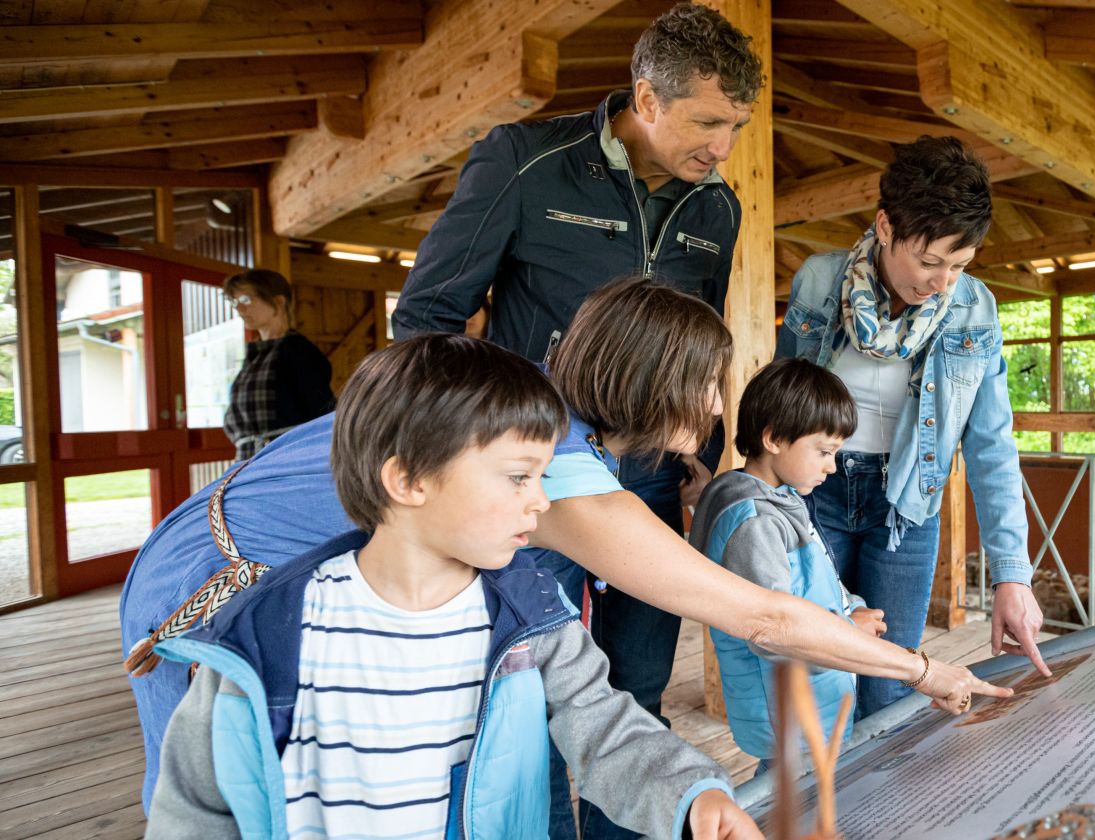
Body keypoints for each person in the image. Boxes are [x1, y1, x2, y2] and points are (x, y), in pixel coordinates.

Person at [121, 278, 1006, 821]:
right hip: (218, 581)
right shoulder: (547, 469)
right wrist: (924, 670)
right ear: (652, 378)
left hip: (258, 554)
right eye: (702, 383)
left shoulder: (535, 435)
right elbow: (763, 616)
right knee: (236, 796)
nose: (708, 410)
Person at [144, 335, 759, 839]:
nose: (543, 500)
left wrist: (691, 792)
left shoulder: (532, 621)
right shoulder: (261, 638)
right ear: (409, 479)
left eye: (542, 475)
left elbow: (604, 727)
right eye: (519, 477)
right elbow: (196, 809)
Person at [390, 6, 763, 796]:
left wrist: (706, 455)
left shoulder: (717, 208)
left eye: (737, 125)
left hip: (652, 475)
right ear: (647, 99)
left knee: (638, 686)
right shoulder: (525, 162)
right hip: (535, 481)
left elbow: (700, 341)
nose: (722, 148)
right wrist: (486, 452)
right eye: (706, 122)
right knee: (533, 693)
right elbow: (426, 319)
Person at [778, 136, 1053, 718]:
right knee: (811, 681)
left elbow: (991, 446)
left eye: (959, 265)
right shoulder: (819, 283)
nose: (941, 282)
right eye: (929, 261)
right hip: (812, 497)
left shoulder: (974, 310)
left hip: (907, 509)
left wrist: (1012, 575)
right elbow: (780, 410)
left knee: (890, 688)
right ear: (885, 226)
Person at [690, 358, 895, 770]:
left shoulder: (780, 501)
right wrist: (847, 629)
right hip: (789, 712)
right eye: (823, 451)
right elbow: (772, 631)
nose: (831, 467)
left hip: (808, 700)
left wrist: (850, 607)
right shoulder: (756, 523)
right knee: (790, 802)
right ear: (774, 438)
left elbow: (816, 579)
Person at [220, 269, 334, 460]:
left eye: (247, 300)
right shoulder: (255, 356)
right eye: (235, 302)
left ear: (279, 302)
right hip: (251, 461)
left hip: (287, 461)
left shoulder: (298, 351)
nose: (240, 309)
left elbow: (322, 412)